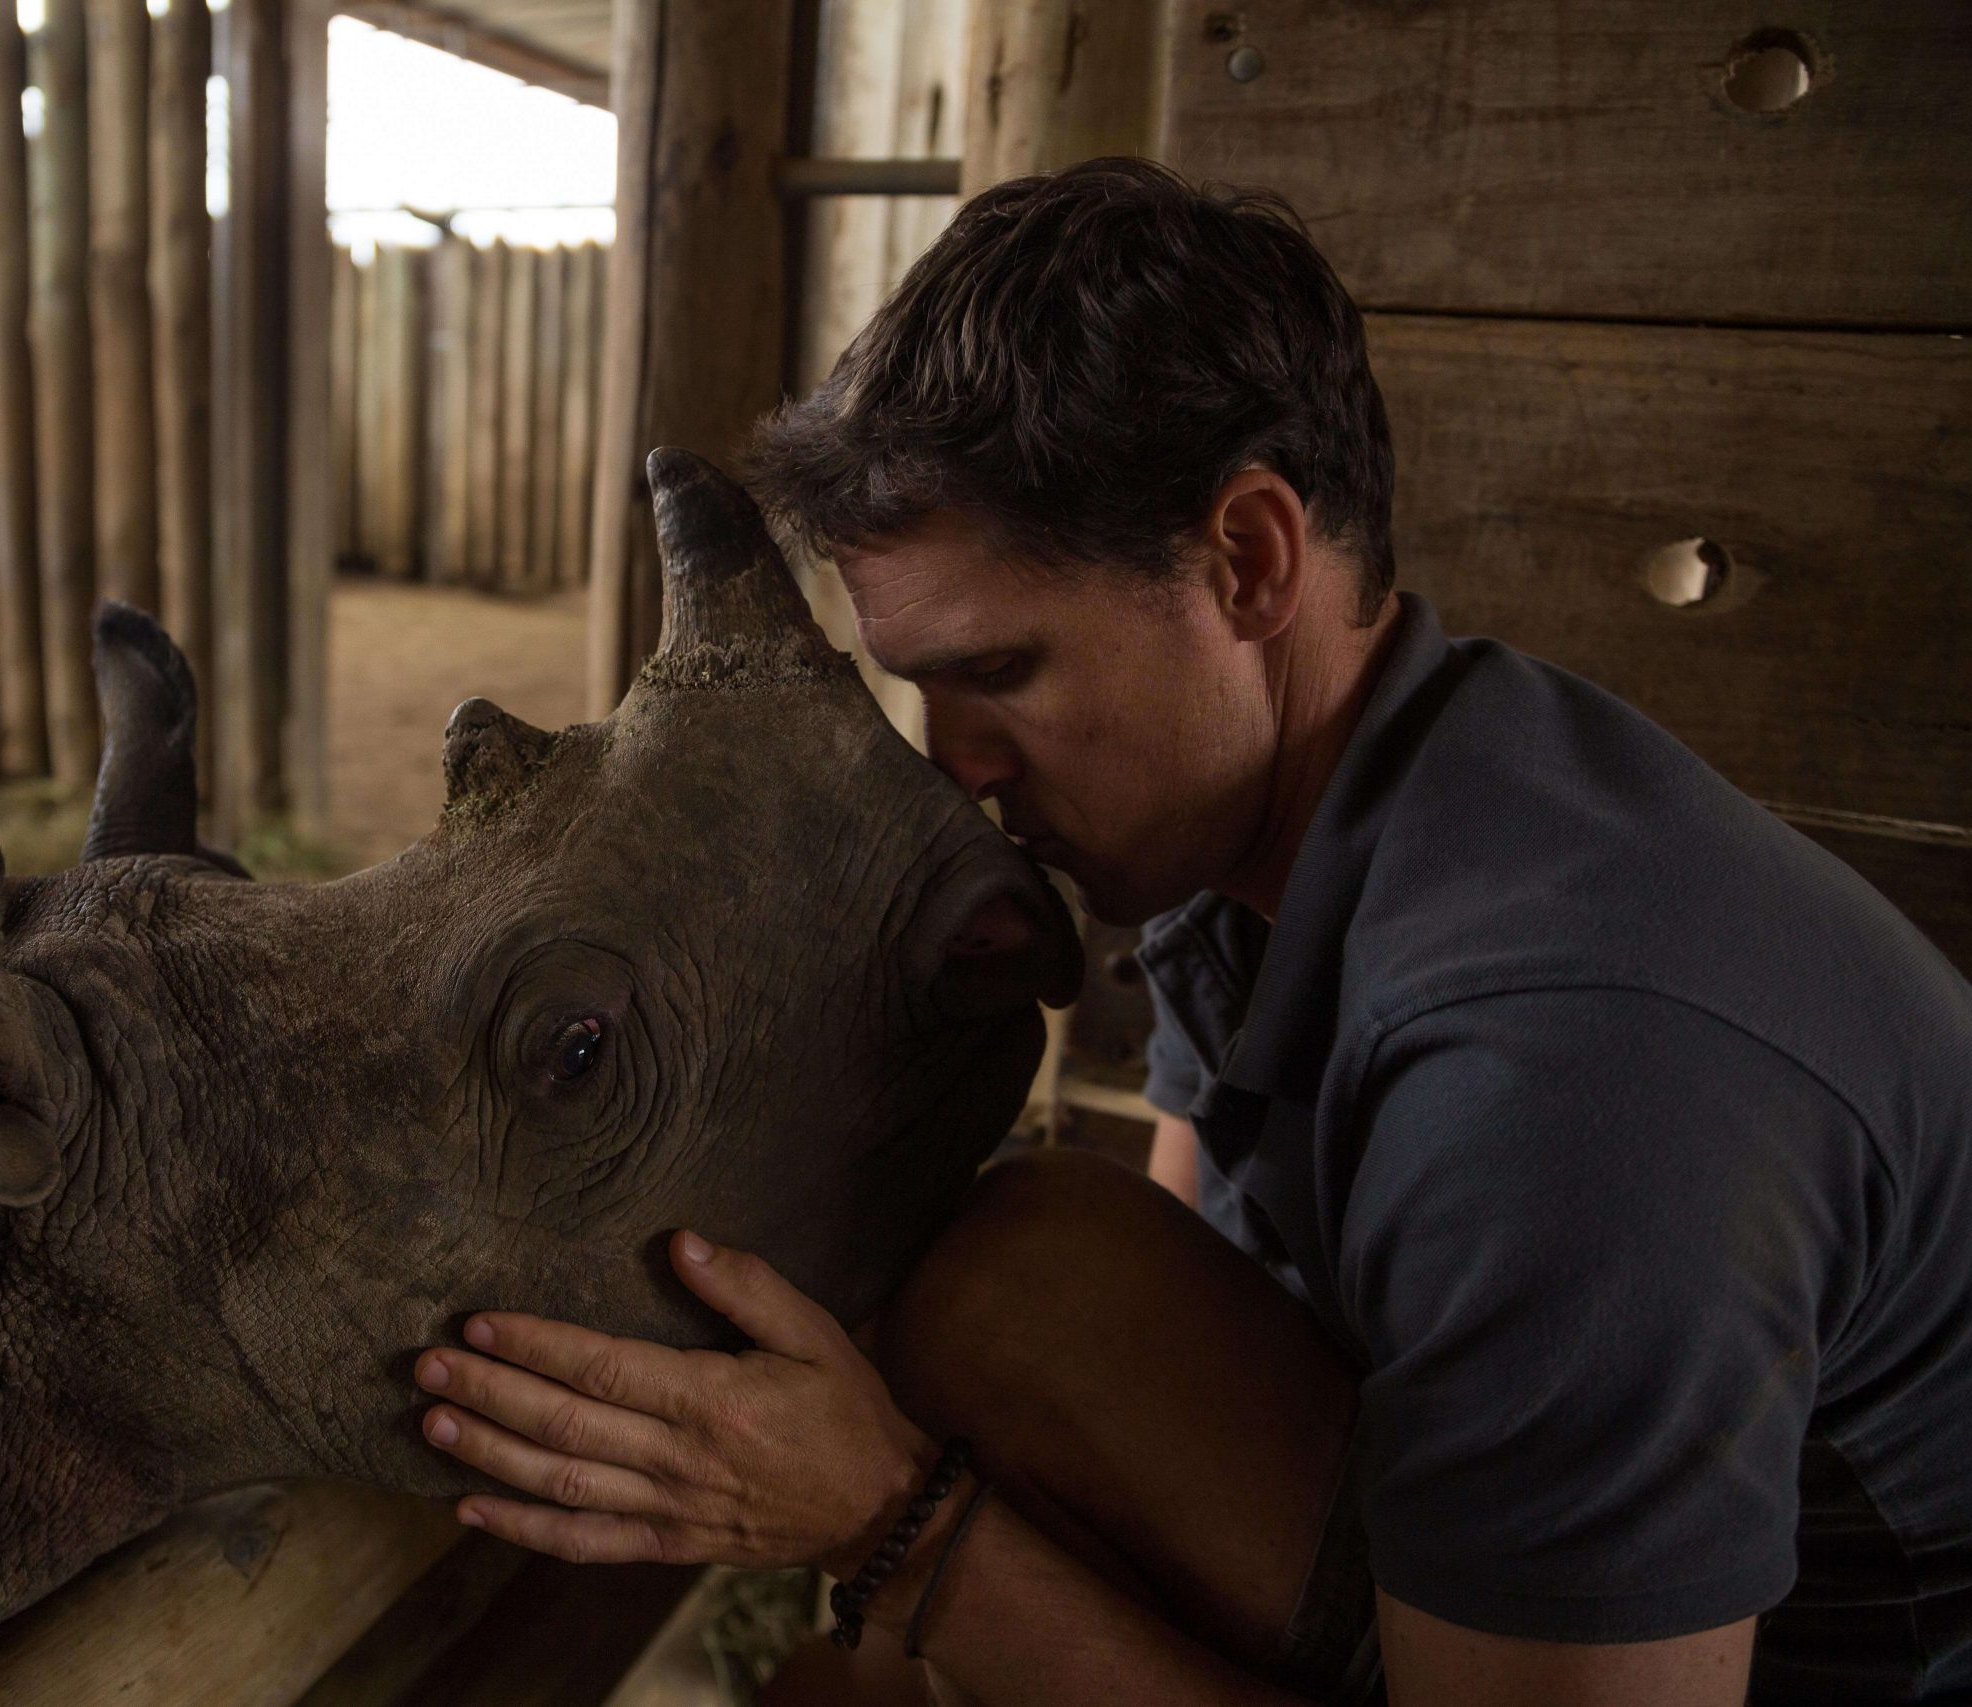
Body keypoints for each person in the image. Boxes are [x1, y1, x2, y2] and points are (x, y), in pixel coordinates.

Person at [406, 158, 1972, 1704]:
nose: (955, 760)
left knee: (1020, 1311)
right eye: (924, 683)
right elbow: (1191, 1284)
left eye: (1002, 671)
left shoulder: (1565, 1079)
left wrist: (890, 1525)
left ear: (1249, 561)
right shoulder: (1290, 842)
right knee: (986, 1393)